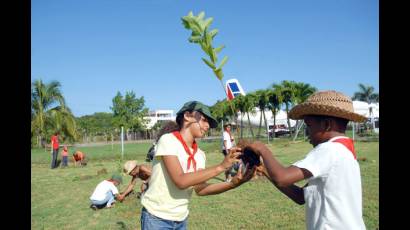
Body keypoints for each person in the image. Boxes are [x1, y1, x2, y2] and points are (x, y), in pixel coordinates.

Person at [244, 90, 367, 230]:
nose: (307, 132)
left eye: (309, 125)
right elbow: (301, 197)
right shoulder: (343, 151)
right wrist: (264, 169)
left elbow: (282, 178)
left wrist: (262, 149)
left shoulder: (329, 150)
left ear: (326, 124)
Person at [140, 101, 256, 230]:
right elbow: (180, 181)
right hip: (156, 218)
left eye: (209, 124)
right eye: (204, 120)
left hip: (181, 220)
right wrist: (221, 166)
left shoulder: (200, 155)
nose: (207, 126)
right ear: (187, 116)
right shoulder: (168, 140)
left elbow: (200, 189)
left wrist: (232, 184)